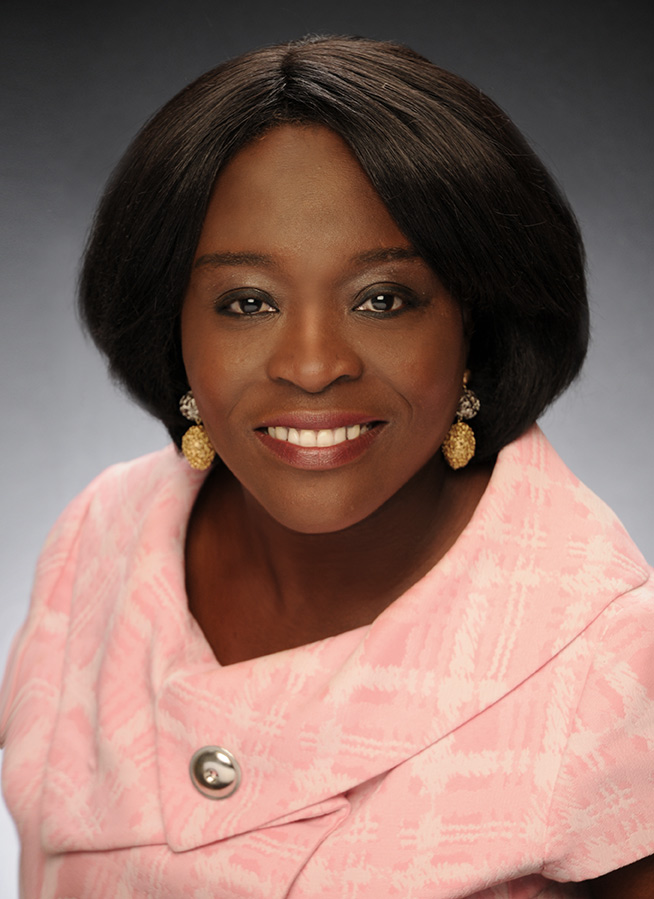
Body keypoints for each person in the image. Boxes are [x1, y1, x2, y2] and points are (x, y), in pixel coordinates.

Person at [1, 35, 652, 898]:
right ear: (174, 328)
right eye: (248, 302)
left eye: (382, 299)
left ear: (477, 326)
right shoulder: (95, 540)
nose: (312, 364)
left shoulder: (617, 665)